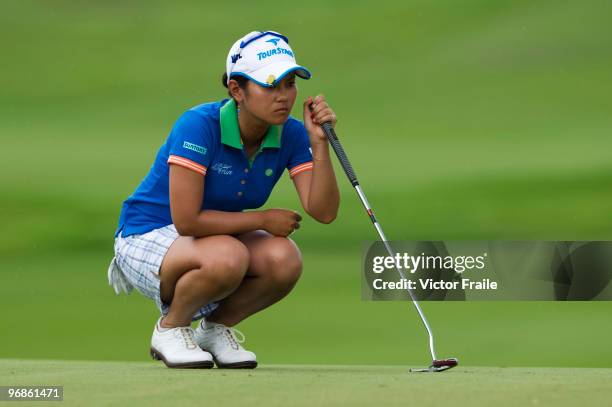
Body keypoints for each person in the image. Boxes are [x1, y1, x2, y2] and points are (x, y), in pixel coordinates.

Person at [107, 31, 340, 369]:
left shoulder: (289, 132)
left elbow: (324, 211)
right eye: (271, 85)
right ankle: (170, 328)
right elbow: (186, 220)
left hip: (207, 239)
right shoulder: (199, 125)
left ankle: (214, 331)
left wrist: (319, 143)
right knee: (229, 256)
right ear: (237, 90)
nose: (284, 96)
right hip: (146, 233)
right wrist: (262, 220)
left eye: (289, 84)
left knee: (283, 258)